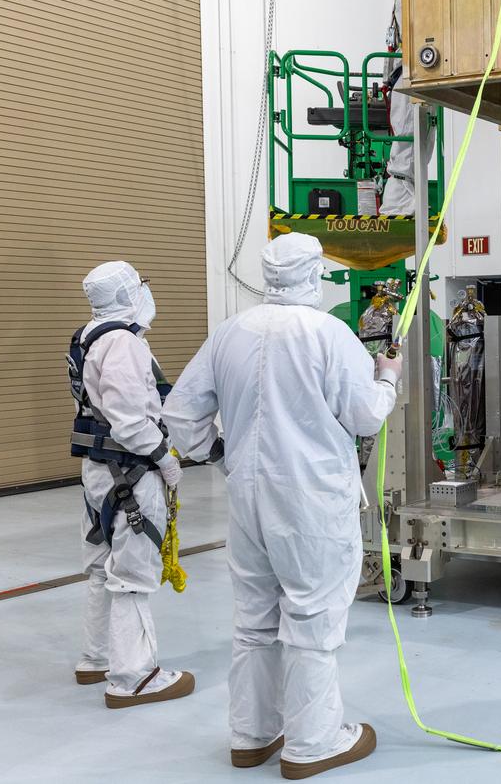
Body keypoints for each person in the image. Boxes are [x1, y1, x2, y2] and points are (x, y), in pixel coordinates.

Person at [163, 234, 402, 779]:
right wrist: (386, 376)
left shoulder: (229, 333)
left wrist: (222, 455)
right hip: (311, 499)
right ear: (314, 273)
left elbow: (180, 414)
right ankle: (313, 742)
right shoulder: (327, 333)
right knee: (311, 616)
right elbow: (365, 416)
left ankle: (251, 735)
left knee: (254, 618)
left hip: (247, 496)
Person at [69, 261, 193, 708]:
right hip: (131, 472)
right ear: (126, 295)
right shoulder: (122, 344)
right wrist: (164, 458)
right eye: (141, 284)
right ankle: (132, 677)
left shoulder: (88, 337)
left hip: (100, 472)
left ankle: (95, 657)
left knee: (103, 568)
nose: (147, 291)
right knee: (133, 576)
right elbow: (127, 417)